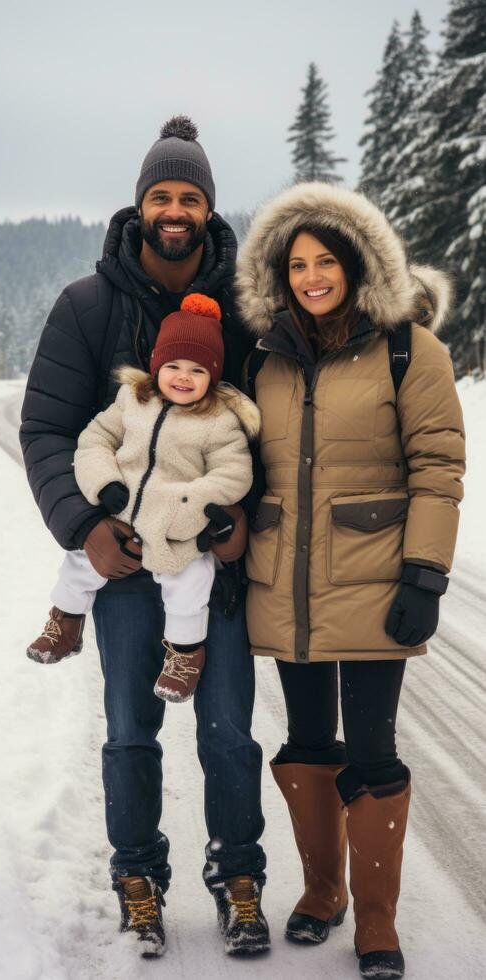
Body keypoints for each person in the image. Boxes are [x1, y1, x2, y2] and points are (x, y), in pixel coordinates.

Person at [20, 117, 269, 958]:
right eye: (161, 195)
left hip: (208, 564)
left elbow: (268, 435)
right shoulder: (86, 306)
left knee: (228, 730)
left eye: (189, 196)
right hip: (123, 568)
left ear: (207, 208)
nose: (174, 209)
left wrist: (239, 525)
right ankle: (138, 876)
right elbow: (50, 430)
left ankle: (239, 876)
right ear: (139, 206)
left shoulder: (247, 307)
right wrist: (84, 527)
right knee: (131, 730)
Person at [236, 181, 465, 979]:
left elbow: (437, 467)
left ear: (357, 262)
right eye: (294, 264)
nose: (309, 277)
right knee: (306, 742)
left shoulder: (409, 348)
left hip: (374, 578)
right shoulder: (261, 353)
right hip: (286, 582)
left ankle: (375, 922)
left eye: (324, 260)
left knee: (370, 748)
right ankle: (322, 891)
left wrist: (425, 572)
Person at [28, 294, 260, 706]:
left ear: (213, 375)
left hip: (176, 526)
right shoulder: (131, 400)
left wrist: (189, 506)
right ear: (156, 365)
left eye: (196, 370)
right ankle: (64, 620)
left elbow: (234, 472)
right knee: (80, 563)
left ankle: (186, 654)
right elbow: (94, 440)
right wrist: (104, 483)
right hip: (120, 512)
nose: (183, 377)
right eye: (172, 366)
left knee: (190, 583)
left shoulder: (219, 421)